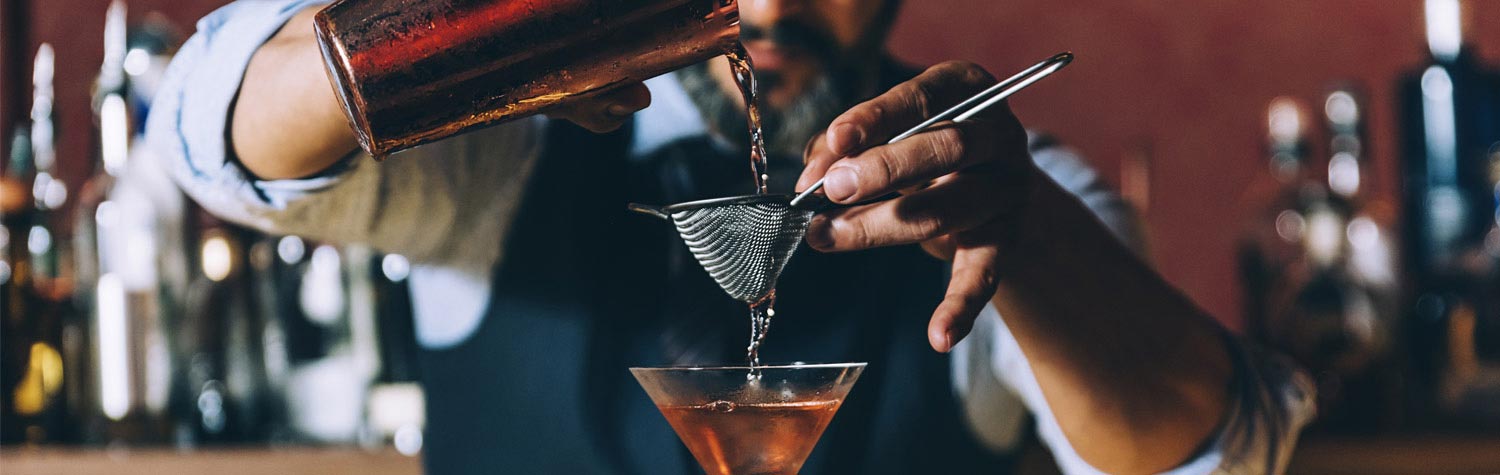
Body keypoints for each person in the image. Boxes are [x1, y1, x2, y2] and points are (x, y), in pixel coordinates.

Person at [146, 0, 1315, 473]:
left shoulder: (1007, 181)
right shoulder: (491, 159)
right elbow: (210, 137)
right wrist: (486, 35)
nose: (767, 1)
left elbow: (1226, 451)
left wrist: (1032, 235)